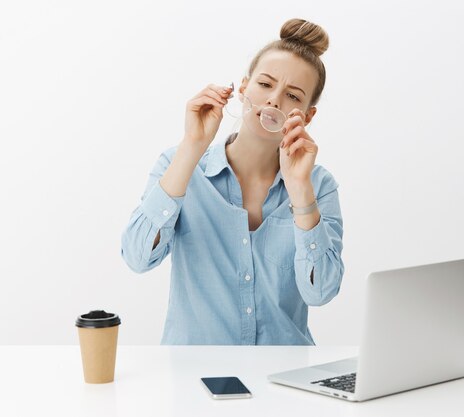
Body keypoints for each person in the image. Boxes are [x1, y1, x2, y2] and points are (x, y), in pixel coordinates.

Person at [121, 18, 344, 345]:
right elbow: (137, 258)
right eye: (265, 85)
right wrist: (192, 148)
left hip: (283, 377)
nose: (274, 101)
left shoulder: (318, 185)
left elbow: (320, 292)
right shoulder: (178, 164)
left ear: (307, 116)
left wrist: (300, 193)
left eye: (293, 96)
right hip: (195, 377)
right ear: (243, 88)